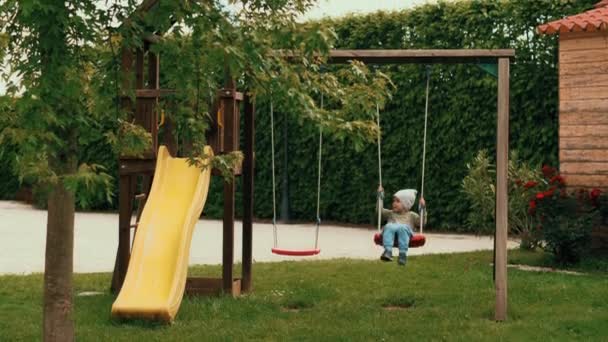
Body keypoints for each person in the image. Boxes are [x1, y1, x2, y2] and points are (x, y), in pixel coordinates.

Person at [377, 186, 425, 266]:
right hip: (391, 234)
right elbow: (379, 211)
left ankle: (402, 255)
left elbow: (422, 223)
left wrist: (423, 209)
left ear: (406, 204)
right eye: (394, 201)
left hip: (404, 234)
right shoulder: (390, 213)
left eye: (398, 201)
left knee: (402, 227)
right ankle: (388, 251)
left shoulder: (411, 215)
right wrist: (380, 197)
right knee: (389, 226)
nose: (394, 203)